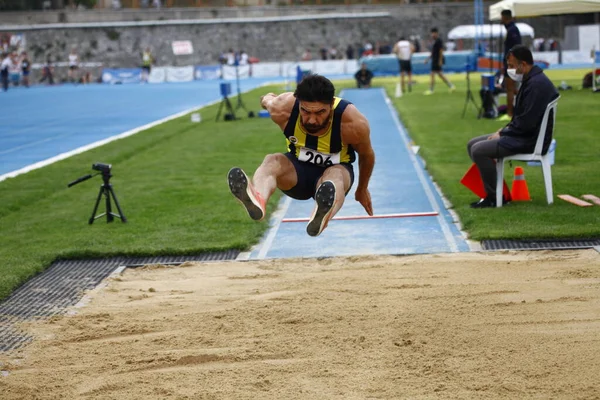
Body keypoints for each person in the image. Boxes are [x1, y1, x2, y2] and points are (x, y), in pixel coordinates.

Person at [227, 74, 375, 237]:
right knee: (272, 160)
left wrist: (362, 189)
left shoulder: (352, 123)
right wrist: (267, 98)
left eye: (320, 112)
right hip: (297, 174)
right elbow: (267, 100)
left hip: (336, 170)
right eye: (305, 111)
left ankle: (321, 213)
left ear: (331, 104)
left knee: (335, 176)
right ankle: (257, 200)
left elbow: (366, 155)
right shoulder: (282, 108)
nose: (312, 120)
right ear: (298, 102)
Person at [466, 45, 559, 208]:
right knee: (472, 144)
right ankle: (498, 193)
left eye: (511, 66)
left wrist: (503, 133)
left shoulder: (536, 85)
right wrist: (503, 131)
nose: (509, 70)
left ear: (523, 65)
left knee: (478, 150)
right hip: (522, 135)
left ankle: (494, 197)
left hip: (528, 140)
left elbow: (527, 124)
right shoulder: (531, 80)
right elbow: (522, 119)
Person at [500, 9, 522, 121]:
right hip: (510, 63)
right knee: (512, 89)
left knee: (510, 88)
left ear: (505, 17)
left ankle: (509, 114)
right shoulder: (511, 29)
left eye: (502, 17)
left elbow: (515, 48)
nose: (500, 19)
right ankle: (520, 108)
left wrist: (511, 64)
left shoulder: (512, 30)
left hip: (512, 64)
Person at [424, 28, 455, 95]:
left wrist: (440, 60)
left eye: (433, 33)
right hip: (435, 59)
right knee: (440, 75)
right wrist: (428, 59)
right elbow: (433, 52)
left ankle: (431, 90)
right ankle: (451, 86)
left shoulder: (439, 41)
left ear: (436, 33)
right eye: (431, 33)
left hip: (437, 60)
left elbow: (441, 50)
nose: (432, 35)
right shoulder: (435, 41)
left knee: (432, 74)